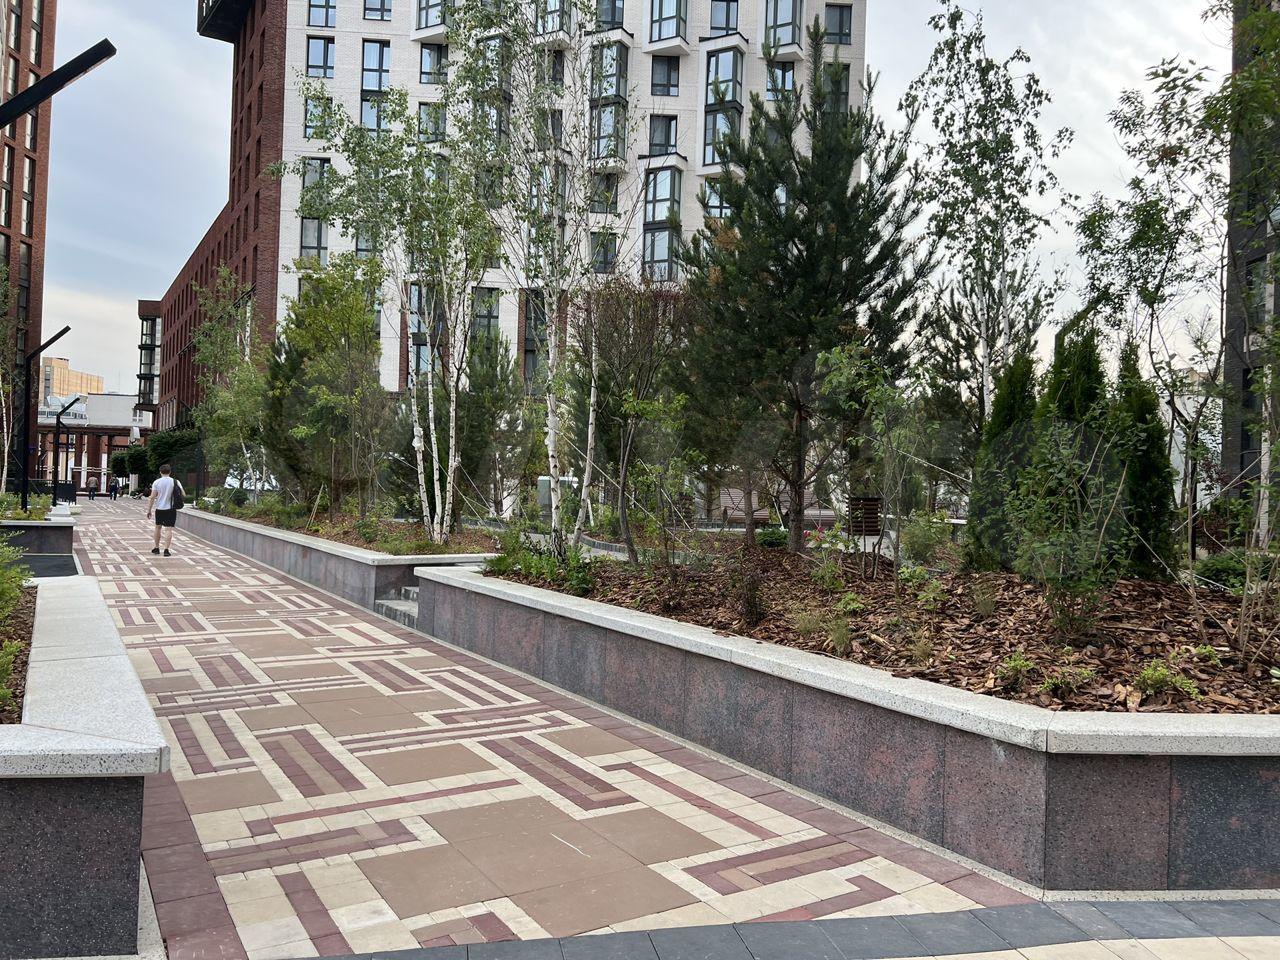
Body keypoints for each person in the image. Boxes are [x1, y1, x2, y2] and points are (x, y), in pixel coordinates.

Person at [147, 464, 185, 557]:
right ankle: (166, 550)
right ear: (170, 472)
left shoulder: (156, 482)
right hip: (171, 509)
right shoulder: (175, 481)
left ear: (160, 472)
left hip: (159, 508)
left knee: (158, 527)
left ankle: (156, 548)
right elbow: (183, 494)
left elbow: (152, 497)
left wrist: (149, 510)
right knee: (168, 529)